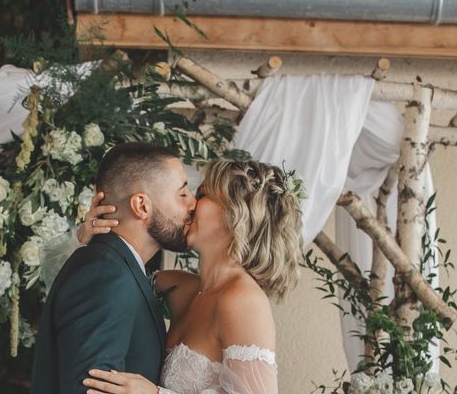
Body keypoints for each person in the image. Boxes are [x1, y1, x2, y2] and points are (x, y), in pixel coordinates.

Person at [80, 158, 304, 394]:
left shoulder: (243, 301)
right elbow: (103, 286)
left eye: (203, 194)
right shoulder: (177, 286)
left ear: (236, 215)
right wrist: (92, 239)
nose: (192, 204)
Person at [31, 142, 197, 393]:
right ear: (141, 206)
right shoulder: (106, 276)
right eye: (182, 193)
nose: (193, 204)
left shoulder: (118, 267)